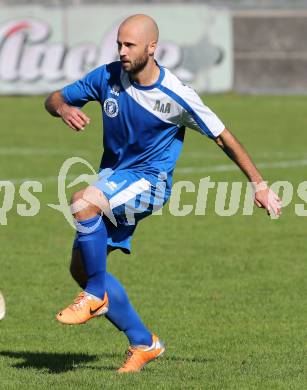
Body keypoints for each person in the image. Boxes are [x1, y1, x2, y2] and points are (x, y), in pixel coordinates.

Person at [45, 14, 281, 373]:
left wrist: (259, 185)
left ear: (152, 48)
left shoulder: (176, 95)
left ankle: (94, 297)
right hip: (114, 178)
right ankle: (144, 343)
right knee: (82, 267)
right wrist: (63, 108)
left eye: (130, 45)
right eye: (119, 44)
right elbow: (55, 99)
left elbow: (222, 136)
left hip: (150, 183)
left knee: (82, 202)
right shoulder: (107, 77)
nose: (122, 51)